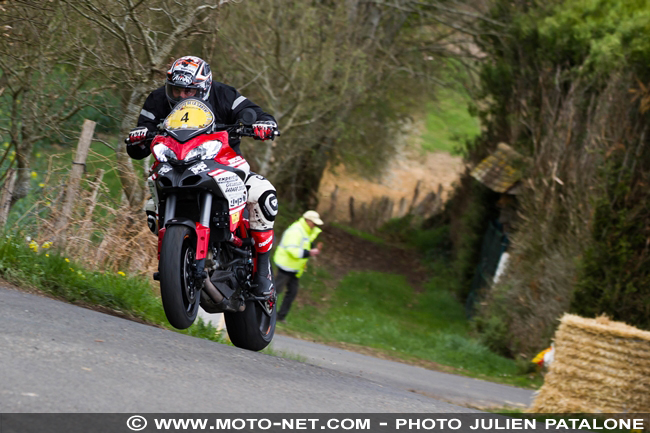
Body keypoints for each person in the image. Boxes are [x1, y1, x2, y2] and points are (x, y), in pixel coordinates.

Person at [125, 56, 279, 299]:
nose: (182, 97)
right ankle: (178, 260)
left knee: (263, 195)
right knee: (151, 206)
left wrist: (261, 123)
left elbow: (253, 111)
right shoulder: (156, 99)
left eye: (189, 91)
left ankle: (262, 273)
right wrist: (139, 136)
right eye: (176, 90)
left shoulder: (223, 94)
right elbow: (138, 143)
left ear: (204, 87)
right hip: (173, 164)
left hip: (222, 162)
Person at [273, 210, 324, 322]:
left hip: (295, 269)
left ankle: (280, 316)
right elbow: (293, 251)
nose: (315, 225)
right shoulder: (296, 231)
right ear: (308, 220)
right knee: (275, 291)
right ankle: (265, 313)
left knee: (292, 292)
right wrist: (310, 253)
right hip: (286, 266)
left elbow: (306, 244)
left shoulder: (305, 231)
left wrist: (312, 249)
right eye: (314, 223)